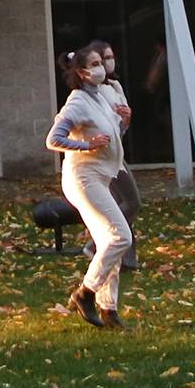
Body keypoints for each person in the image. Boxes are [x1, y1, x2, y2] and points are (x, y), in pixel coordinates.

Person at [46, 46, 129, 328]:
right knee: (121, 238)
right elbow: (53, 140)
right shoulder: (77, 102)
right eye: (94, 63)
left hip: (100, 177)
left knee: (110, 243)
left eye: (101, 62)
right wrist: (86, 146)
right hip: (83, 178)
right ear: (82, 72)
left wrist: (124, 122)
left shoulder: (99, 98)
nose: (101, 67)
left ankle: (109, 310)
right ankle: (86, 293)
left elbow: (110, 137)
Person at [87, 39, 138, 272]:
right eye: (102, 59)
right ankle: (100, 245)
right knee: (131, 203)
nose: (108, 62)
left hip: (117, 152)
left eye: (109, 57)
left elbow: (119, 128)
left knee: (125, 203)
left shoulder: (115, 87)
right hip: (103, 157)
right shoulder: (90, 93)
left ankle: (126, 259)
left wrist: (125, 119)